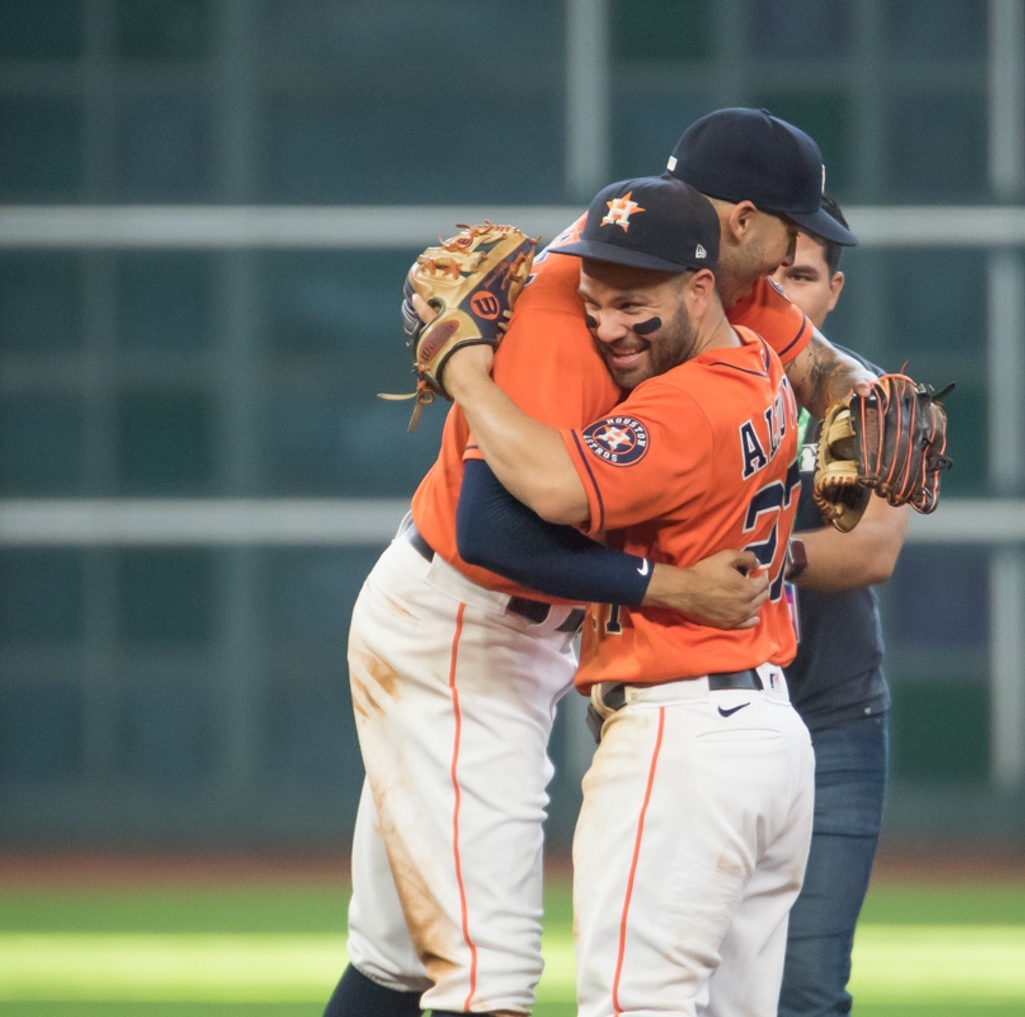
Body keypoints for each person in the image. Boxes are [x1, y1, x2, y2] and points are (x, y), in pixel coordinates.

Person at [327, 108, 876, 1017]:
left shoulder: (716, 291)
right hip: (460, 628)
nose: (792, 255)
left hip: (547, 635)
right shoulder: (579, 314)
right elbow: (493, 534)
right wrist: (663, 585)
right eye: (789, 228)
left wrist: (873, 393)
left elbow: (826, 367)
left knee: (396, 956)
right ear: (740, 223)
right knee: (485, 979)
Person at [445, 173, 814, 1017]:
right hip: (767, 741)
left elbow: (545, 493)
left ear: (699, 286)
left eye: (632, 302)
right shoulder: (761, 366)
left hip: (684, 738)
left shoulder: (685, 406)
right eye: (594, 301)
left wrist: (466, 373)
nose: (608, 325)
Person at [770, 197, 911, 1017]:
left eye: (805, 276)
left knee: (809, 987)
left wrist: (755, 558)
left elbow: (872, 549)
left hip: (834, 716)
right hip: (694, 709)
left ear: (834, 292)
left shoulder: (872, 400)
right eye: (773, 273)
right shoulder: (681, 385)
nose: (785, 293)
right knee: (695, 981)